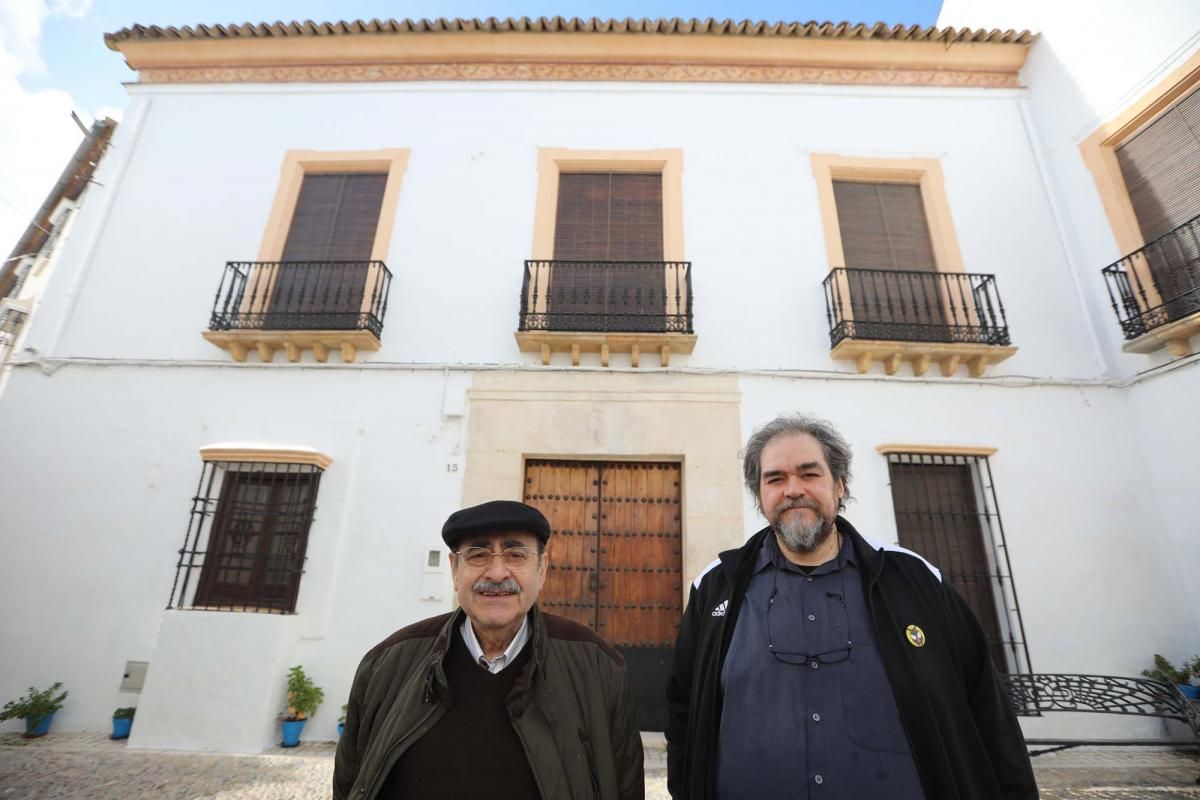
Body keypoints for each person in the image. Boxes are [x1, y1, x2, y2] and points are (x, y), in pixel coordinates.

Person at [666, 415, 1037, 799]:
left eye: (809, 474)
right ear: (760, 496)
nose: (793, 490)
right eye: (775, 479)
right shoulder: (716, 586)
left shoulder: (914, 580)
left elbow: (986, 707)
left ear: (839, 485)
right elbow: (683, 710)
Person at [334, 500, 644, 800]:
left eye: (515, 554)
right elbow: (350, 783)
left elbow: (624, 786)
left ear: (542, 569)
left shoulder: (598, 668)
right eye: (478, 554)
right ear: (455, 569)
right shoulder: (386, 665)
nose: (497, 573)